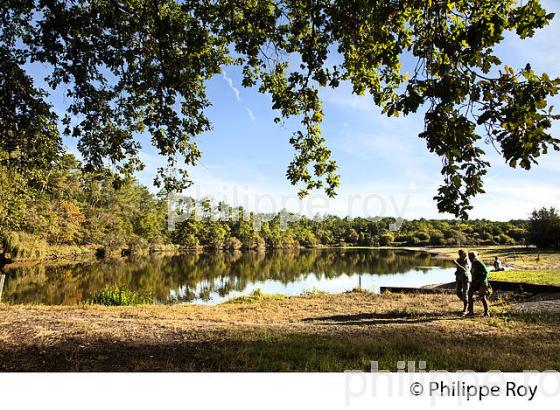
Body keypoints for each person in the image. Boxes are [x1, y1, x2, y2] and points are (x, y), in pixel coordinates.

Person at [467, 251, 492, 317]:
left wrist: (480, 281)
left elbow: (486, 272)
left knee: (483, 297)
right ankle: (471, 312)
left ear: (475, 257)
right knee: (469, 294)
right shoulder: (473, 263)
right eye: (469, 257)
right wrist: (472, 281)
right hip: (474, 282)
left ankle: (487, 312)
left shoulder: (479, 262)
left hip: (481, 283)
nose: (470, 259)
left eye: (472, 257)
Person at [452, 249, 471, 315]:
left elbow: (464, 269)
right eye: (459, 254)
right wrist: (456, 272)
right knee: (458, 292)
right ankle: (468, 303)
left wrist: (456, 263)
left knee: (465, 294)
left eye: (461, 254)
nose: (460, 255)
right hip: (459, 278)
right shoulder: (459, 260)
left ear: (464, 254)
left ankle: (465, 310)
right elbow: (458, 269)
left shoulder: (467, 260)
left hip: (466, 278)